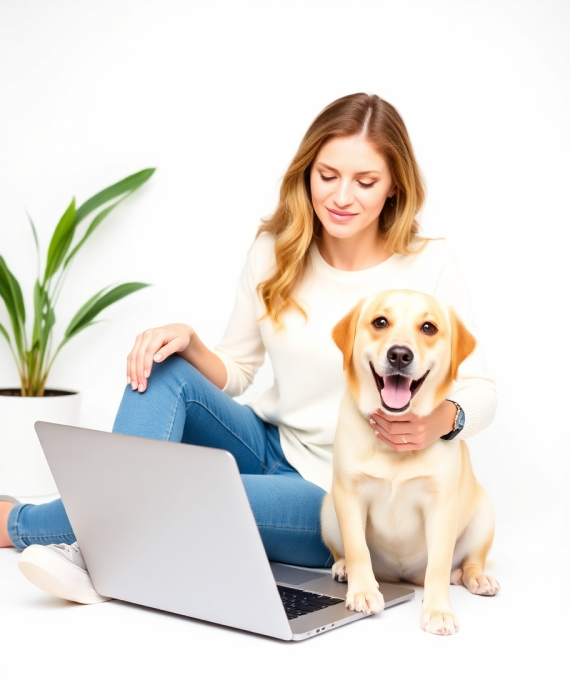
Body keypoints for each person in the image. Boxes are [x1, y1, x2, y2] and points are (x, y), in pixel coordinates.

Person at [0, 93, 497, 604]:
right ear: (306, 173)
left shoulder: (428, 264)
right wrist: (191, 345)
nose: (342, 196)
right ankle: (100, 546)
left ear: (394, 187)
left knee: (179, 494)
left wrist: (439, 422)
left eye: (365, 182)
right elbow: (238, 369)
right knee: (163, 369)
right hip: (267, 442)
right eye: (327, 175)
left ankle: (30, 526)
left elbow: (481, 388)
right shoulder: (275, 251)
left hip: (333, 491)